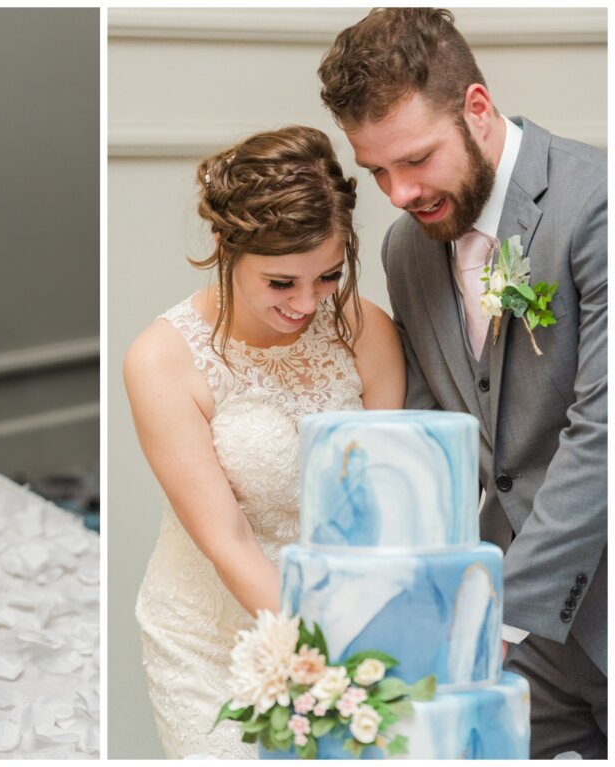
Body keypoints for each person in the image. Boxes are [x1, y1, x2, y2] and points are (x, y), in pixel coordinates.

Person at [318, 8, 607, 759]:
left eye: (415, 158)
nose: (399, 192)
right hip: (515, 640)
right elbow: (430, 440)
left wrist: (497, 613)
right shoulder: (406, 250)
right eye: (377, 169)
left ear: (477, 109)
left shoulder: (596, 204)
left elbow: (604, 431)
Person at [124, 125, 404, 758]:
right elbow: (229, 540)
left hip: (350, 620)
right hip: (211, 637)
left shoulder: (366, 330)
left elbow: (383, 504)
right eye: (281, 282)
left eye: (328, 276)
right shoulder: (163, 359)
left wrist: (370, 637)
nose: (306, 303)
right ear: (226, 246)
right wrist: (321, 657)